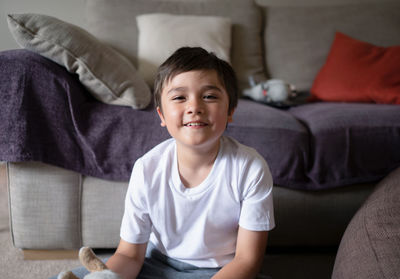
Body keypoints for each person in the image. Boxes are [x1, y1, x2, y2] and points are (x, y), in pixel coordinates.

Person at [54, 47, 275, 279]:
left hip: (221, 271)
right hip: (156, 266)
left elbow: (247, 260)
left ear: (230, 111)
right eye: (180, 97)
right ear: (161, 116)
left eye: (209, 96)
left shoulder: (250, 168)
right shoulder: (147, 168)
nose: (194, 107)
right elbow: (129, 256)